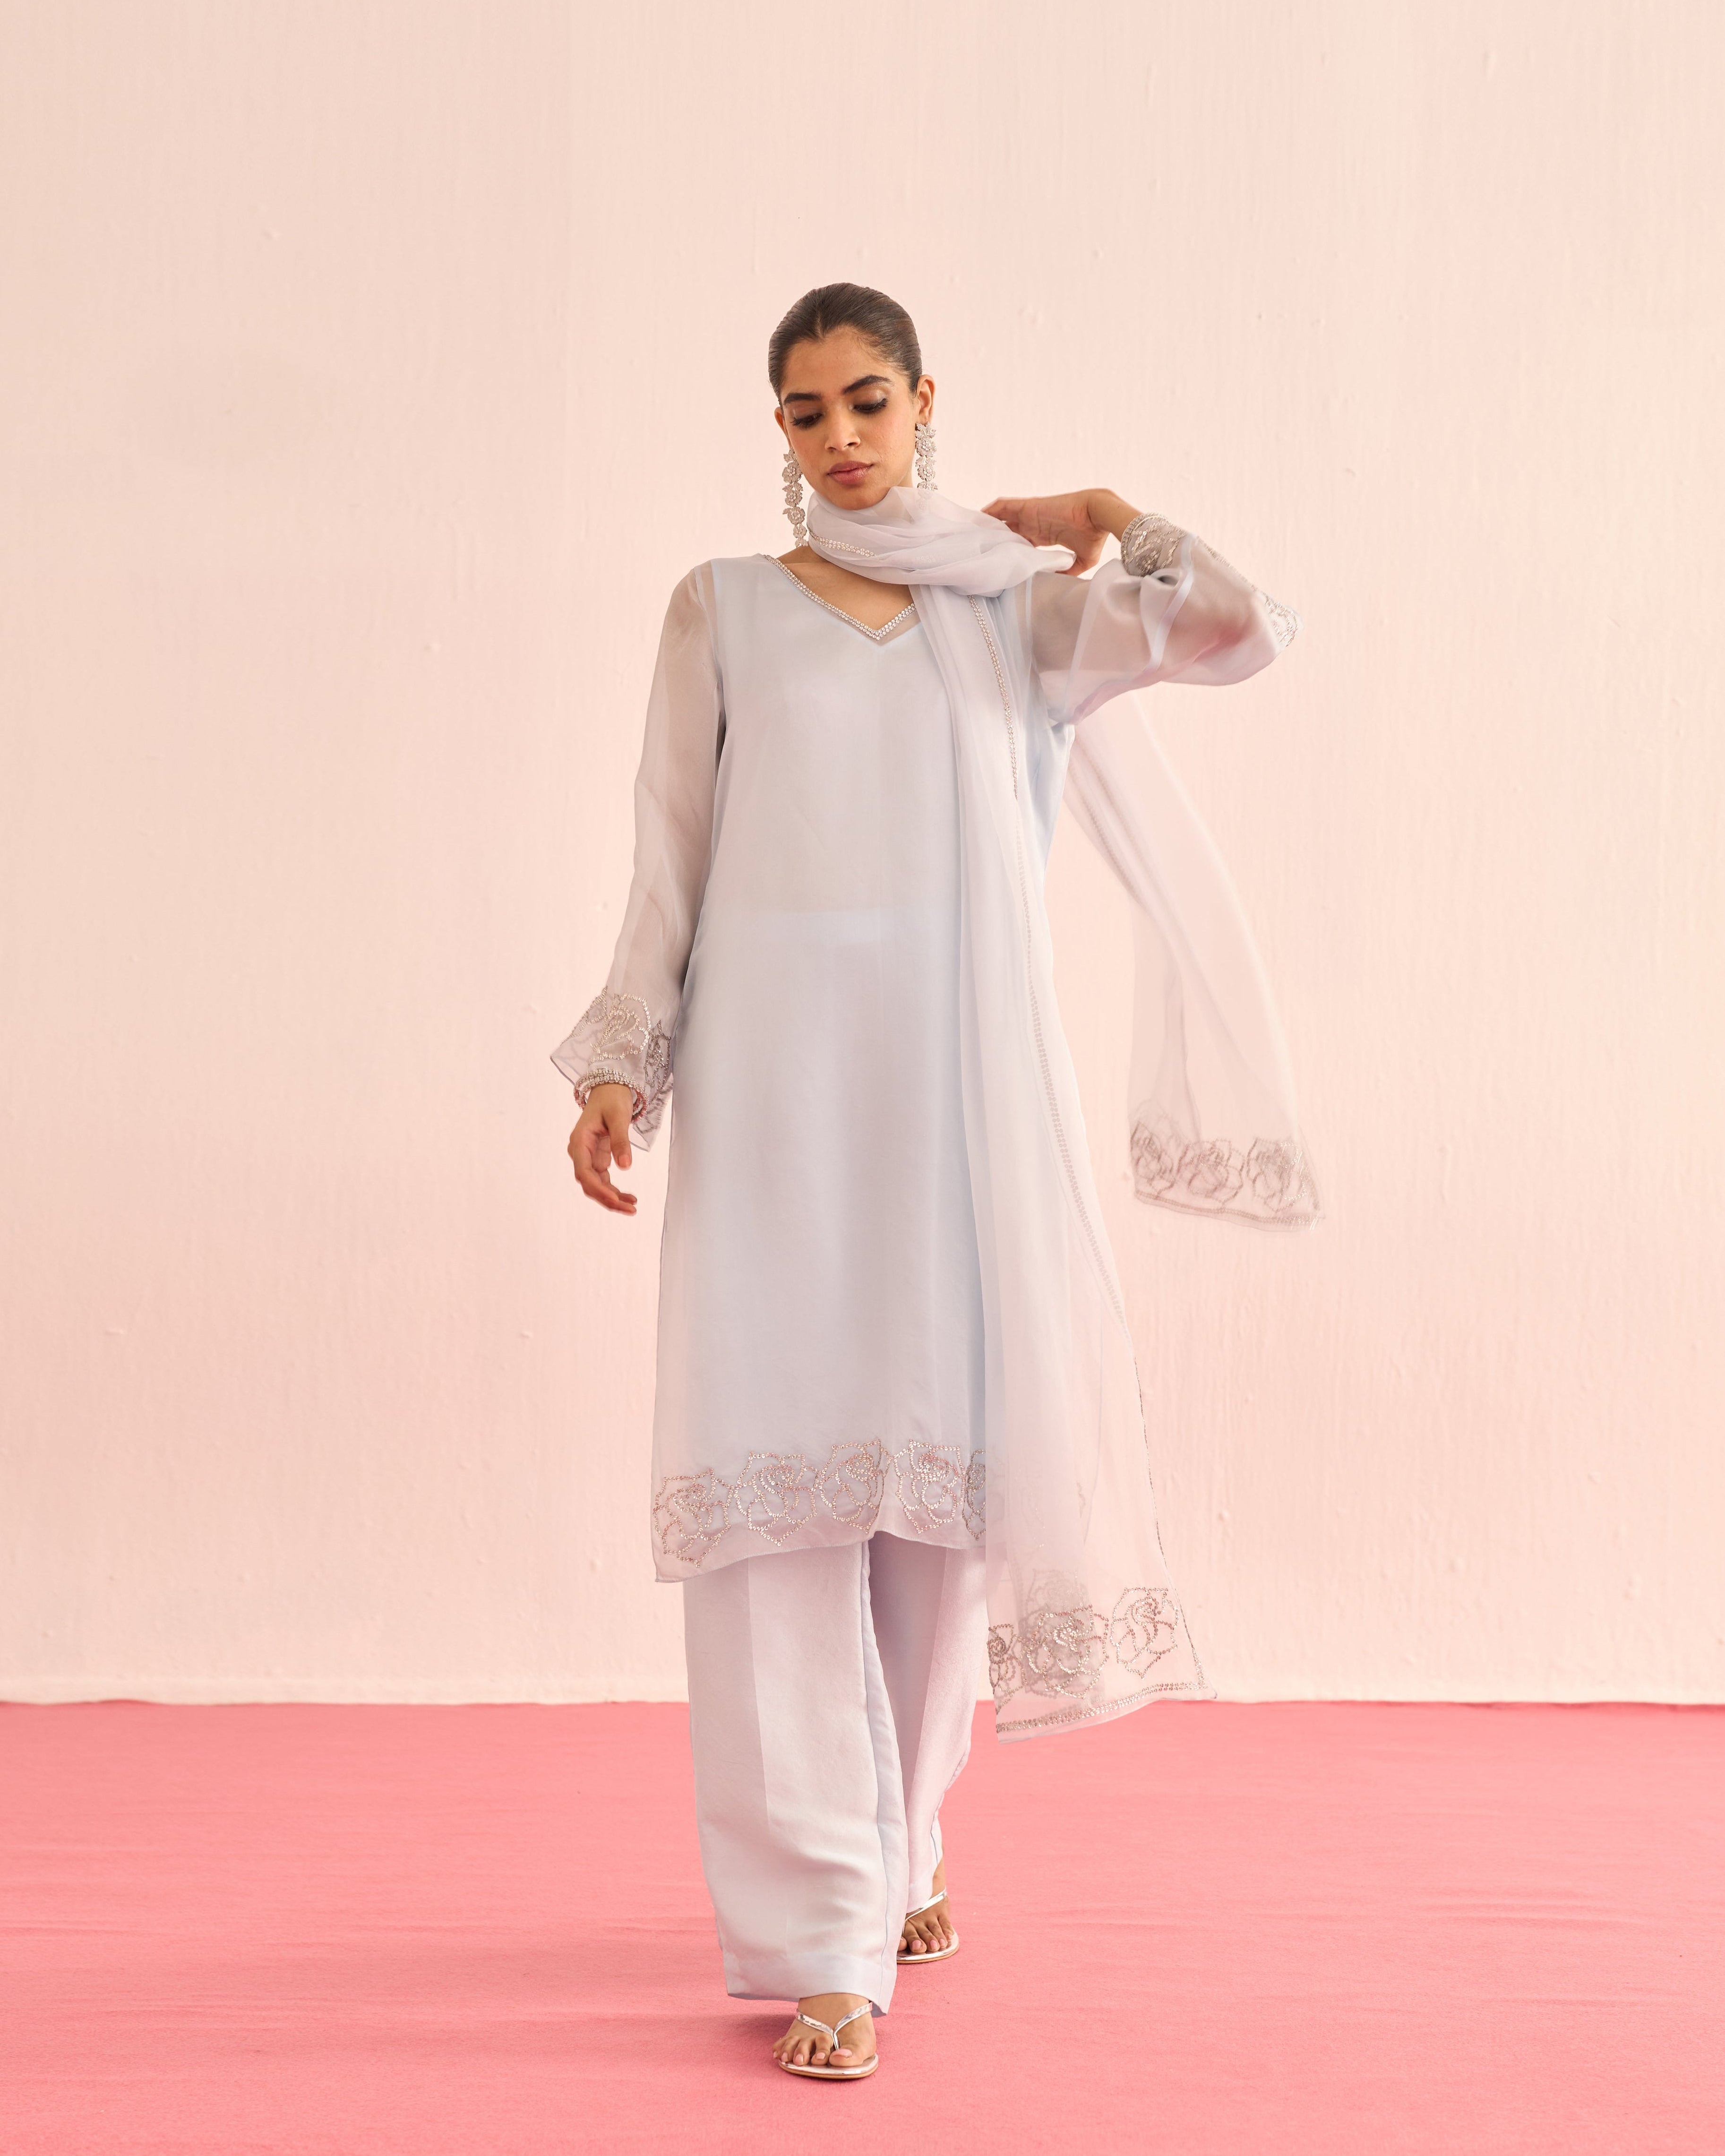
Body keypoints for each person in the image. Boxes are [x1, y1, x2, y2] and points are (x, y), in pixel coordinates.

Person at [554, 283, 1306, 2081]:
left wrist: (1098, 513)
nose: (839, 436)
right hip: (773, 1103)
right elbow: (671, 852)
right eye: (805, 412)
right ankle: (824, 1931)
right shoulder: (723, 609)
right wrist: (619, 1057)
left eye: (866, 400)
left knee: (928, 1505)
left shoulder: (1011, 614)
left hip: (954, 1107)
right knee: (775, 1509)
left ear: (922, 399)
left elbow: (1237, 628)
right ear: (779, 430)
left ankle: (899, 1842)